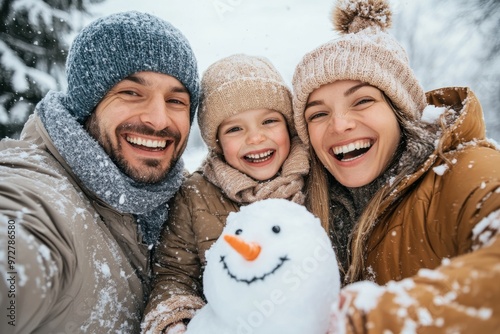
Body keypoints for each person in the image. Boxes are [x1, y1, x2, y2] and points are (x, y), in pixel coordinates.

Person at [292, 0, 500, 332]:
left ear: (399, 111)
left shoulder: (463, 169)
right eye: (318, 113)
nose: (340, 124)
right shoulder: (303, 210)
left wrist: (371, 320)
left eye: (362, 101)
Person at [0, 11, 199, 333]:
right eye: (132, 93)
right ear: (87, 103)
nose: (159, 119)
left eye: (176, 100)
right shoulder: (37, 197)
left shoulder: (182, 206)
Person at [141, 54, 310, 333]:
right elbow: (175, 274)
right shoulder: (195, 196)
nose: (255, 138)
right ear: (217, 143)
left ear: (289, 126)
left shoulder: (315, 180)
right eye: (235, 128)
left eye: (269, 121)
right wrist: (176, 317)